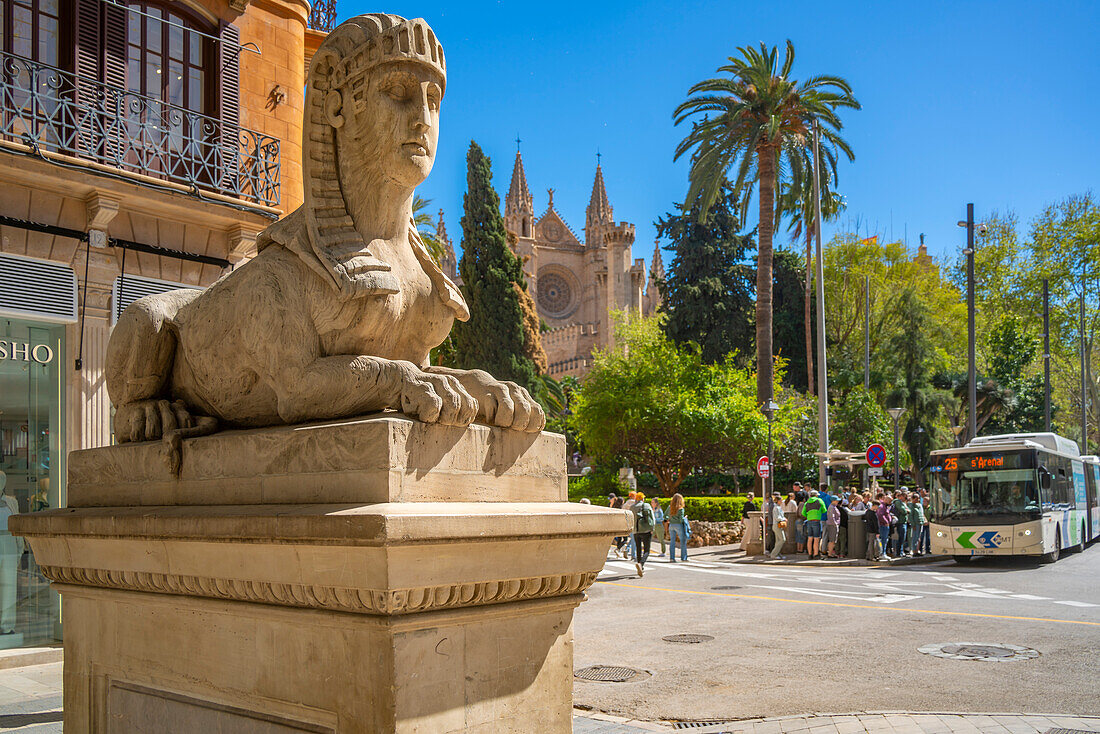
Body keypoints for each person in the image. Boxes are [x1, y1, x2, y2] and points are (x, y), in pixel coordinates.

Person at [631, 493, 655, 576]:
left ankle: (640, 565)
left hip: (635, 531)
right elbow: (652, 518)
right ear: (642, 499)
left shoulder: (632, 507)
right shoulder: (647, 506)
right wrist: (652, 529)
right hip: (646, 530)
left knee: (638, 549)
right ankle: (641, 564)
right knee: (647, 550)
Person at [801, 489, 827, 559]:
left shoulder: (806, 503)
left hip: (809, 521)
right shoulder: (819, 501)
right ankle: (816, 554)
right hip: (816, 521)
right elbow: (824, 510)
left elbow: (803, 513)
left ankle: (810, 554)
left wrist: (809, 515)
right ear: (816, 495)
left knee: (810, 538)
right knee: (816, 539)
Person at [667, 493, 689, 562]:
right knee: (682, 541)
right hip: (678, 525)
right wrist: (685, 518)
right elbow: (680, 519)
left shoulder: (669, 507)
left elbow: (665, 516)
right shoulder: (681, 509)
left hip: (671, 525)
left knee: (672, 542)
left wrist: (670, 519)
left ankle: (672, 558)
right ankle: (684, 557)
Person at [875, 494, 894, 560]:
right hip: (883, 526)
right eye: (890, 501)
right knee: (883, 540)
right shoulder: (882, 506)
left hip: (884, 525)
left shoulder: (884, 506)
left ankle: (883, 553)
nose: (890, 503)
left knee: (885, 540)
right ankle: (882, 553)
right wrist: (886, 522)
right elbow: (880, 515)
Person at [768, 492, 787, 560]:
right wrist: (784, 519)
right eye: (781, 500)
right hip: (777, 525)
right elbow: (777, 517)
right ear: (778, 500)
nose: (782, 501)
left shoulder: (777, 507)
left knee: (778, 540)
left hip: (777, 525)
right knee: (782, 539)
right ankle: (774, 554)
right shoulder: (776, 508)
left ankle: (777, 554)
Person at [892, 489, 911, 557]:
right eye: (905, 496)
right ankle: (898, 553)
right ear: (901, 496)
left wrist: (906, 510)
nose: (906, 498)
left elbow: (909, 510)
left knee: (902, 538)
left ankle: (901, 552)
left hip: (903, 522)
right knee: (900, 538)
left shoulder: (902, 502)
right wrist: (906, 511)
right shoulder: (898, 502)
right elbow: (904, 511)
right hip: (900, 522)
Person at [794, 486, 808, 553]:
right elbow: (801, 514)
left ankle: (798, 549)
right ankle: (800, 549)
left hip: (797, 521)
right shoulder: (802, 504)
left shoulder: (799, 504)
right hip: (801, 521)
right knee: (801, 535)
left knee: (798, 535)